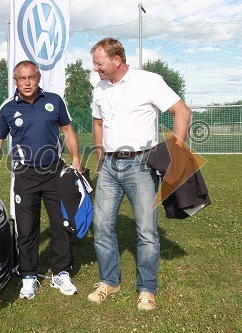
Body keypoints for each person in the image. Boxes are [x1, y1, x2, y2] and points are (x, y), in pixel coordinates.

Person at [0, 60, 82, 300]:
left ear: (38, 78)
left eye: (31, 77)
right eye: (22, 78)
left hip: (54, 173)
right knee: (26, 228)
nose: (27, 83)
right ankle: (28, 276)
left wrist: (76, 158)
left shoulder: (54, 101)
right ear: (15, 81)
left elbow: (68, 131)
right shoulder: (7, 108)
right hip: (25, 175)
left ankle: (61, 273)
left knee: (61, 224)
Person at [88, 38, 192, 310]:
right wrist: (100, 154)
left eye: (99, 63)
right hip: (109, 166)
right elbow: (97, 122)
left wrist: (177, 155)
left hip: (142, 165)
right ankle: (109, 281)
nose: (95, 68)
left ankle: (147, 289)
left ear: (116, 60)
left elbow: (181, 111)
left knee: (146, 231)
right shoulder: (99, 87)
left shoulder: (149, 81)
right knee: (101, 227)